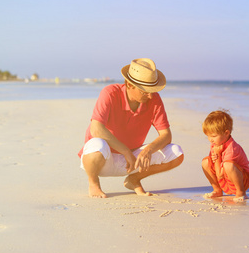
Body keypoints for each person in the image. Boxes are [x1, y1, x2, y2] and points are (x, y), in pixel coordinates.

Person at [78, 58, 184, 198]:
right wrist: (125, 151)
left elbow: (166, 135)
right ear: (129, 84)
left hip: (132, 162)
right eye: (145, 91)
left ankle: (134, 179)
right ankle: (93, 183)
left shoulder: (154, 99)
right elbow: (96, 129)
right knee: (97, 144)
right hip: (102, 160)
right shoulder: (110, 93)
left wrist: (148, 150)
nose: (150, 95)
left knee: (176, 152)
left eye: (152, 90)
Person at [201, 110, 249, 202]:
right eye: (208, 136)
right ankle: (217, 190)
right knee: (205, 162)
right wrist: (216, 157)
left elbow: (220, 175)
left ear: (226, 133)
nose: (210, 139)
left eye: (213, 136)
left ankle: (241, 192)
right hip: (225, 182)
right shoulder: (215, 144)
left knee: (228, 165)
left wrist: (217, 155)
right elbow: (214, 166)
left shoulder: (232, 148)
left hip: (241, 181)